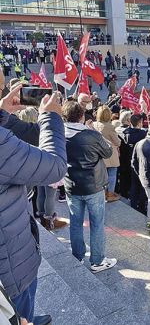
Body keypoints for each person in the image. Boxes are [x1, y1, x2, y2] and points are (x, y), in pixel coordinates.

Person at [0, 87, 67, 325]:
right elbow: (56, 168)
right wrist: (51, 117)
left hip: (11, 253)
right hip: (11, 267)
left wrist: (1, 114)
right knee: (19, 308)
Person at [62, 101, 117, 273]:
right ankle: (97, 261)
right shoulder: (90, 135)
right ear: (81, 116)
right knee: (96, 223)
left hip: (71, 184)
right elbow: (108, 151)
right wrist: (93, 130)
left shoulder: (58, 133)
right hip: (93, 185)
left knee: (76, 223)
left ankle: (77, 256)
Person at [93, 105, 121, 202]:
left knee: (101, 175)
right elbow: (117, 142)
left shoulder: (94, 124)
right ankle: (110, 194)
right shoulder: (109, 126)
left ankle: (103, 193)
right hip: (110, 154)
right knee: (112, 174)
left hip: (98, 153)